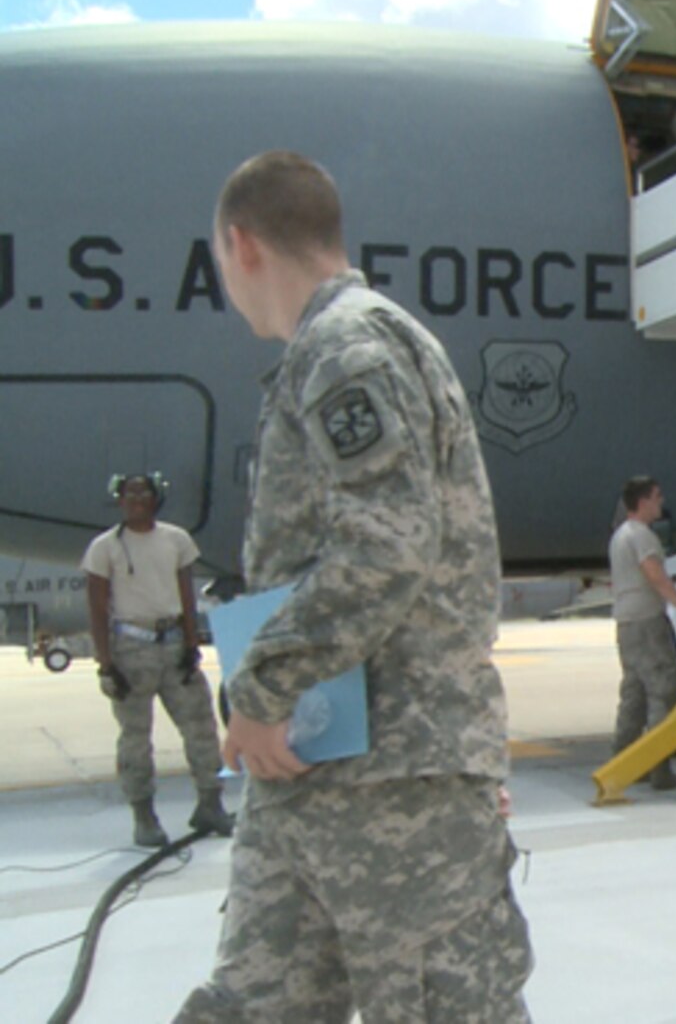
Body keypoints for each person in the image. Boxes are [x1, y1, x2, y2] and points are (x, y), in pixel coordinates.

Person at [179, 151, 531, 1020]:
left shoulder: (347, 349)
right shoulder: (329, 350)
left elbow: (386, 548)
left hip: (392, 784)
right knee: (253, 1002)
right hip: (317, 769)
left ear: (240, 244)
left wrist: (261, 687)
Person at [82, 473, 233, 847]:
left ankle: (210, 803)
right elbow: (98, 609)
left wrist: (190, 643)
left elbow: (186, 595)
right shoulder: (104, 548)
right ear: (119, 500)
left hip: (173, 644)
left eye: (144, 492)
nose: (137, 498)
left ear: (156, 498)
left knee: (200, 726)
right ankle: (144, 815)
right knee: (135, 738)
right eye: (130, 493)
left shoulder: (176, 540)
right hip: (131, 648)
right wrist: (105, 664)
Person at [610, 476, 676, 791]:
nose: (661, 502)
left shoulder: (619, 536)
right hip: (648, 624)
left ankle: (623, 762)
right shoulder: (643, 537)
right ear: (643, 501)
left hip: (625, 624)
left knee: (633, 696)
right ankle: (659, 767)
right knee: (663, 692)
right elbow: (658, 578)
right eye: (656, 497)